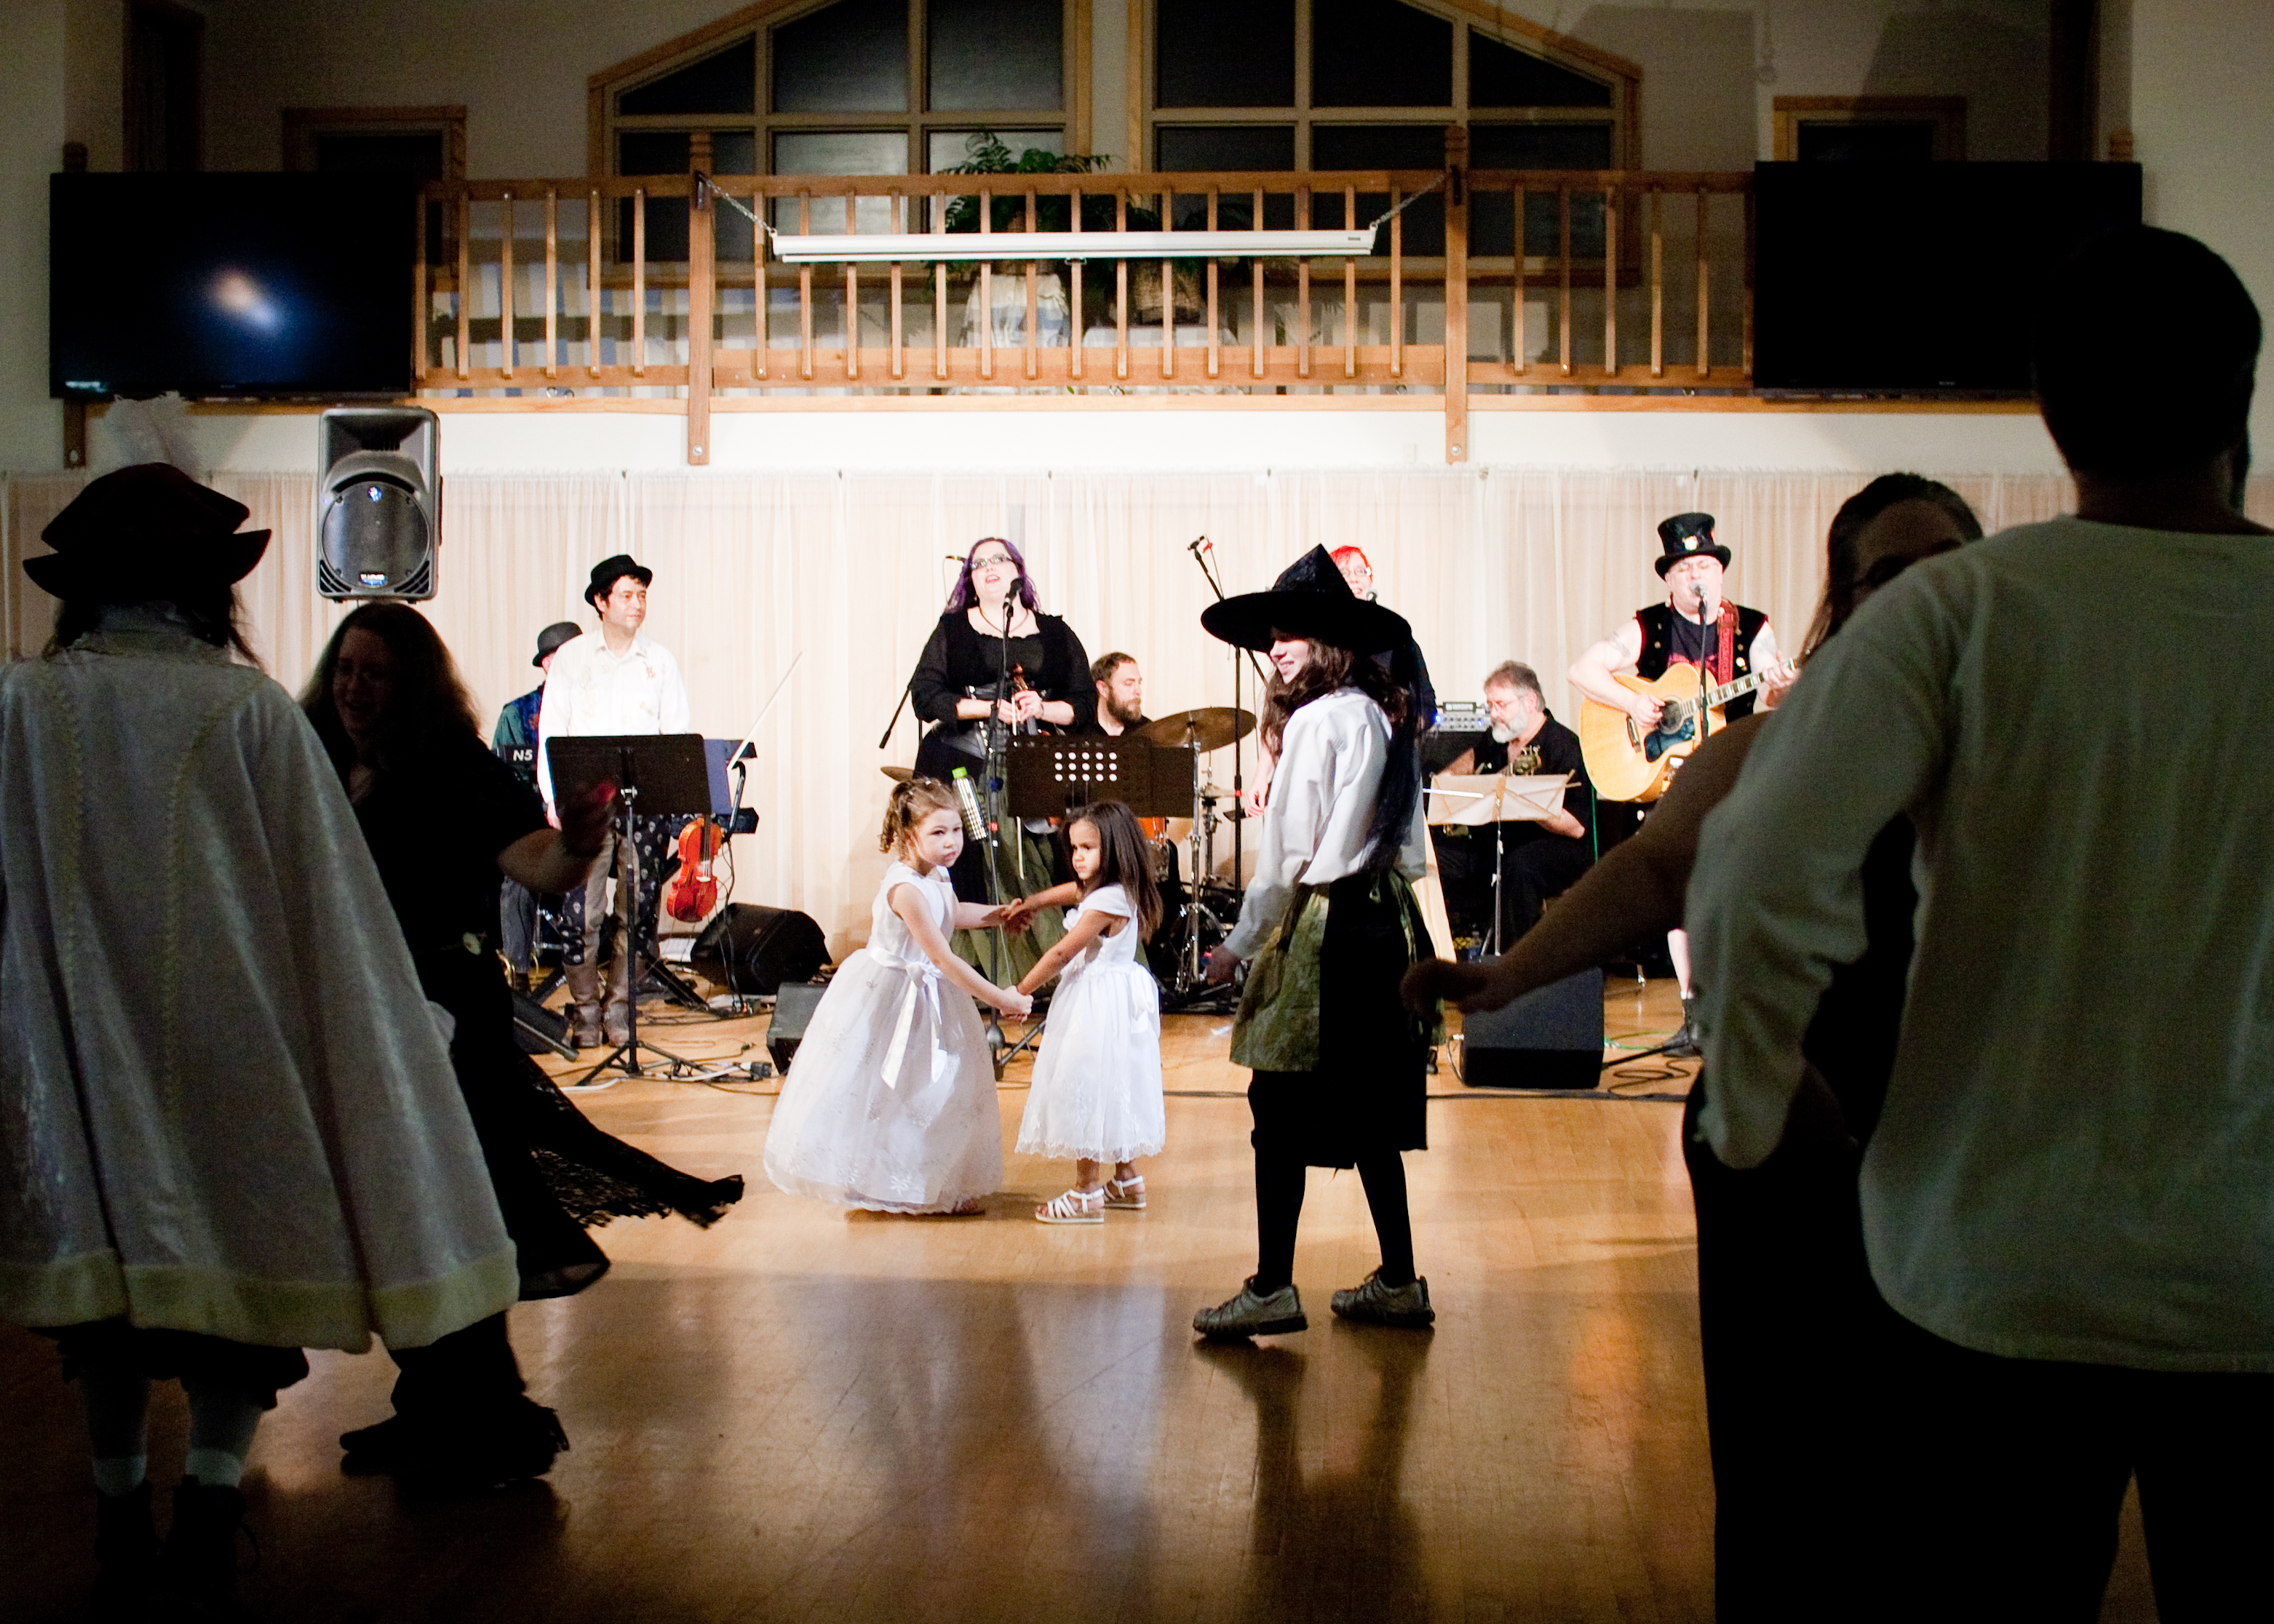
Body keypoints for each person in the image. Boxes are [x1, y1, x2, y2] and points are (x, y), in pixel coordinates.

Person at [1690, 226, 2274, 1620]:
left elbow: (1751, 871)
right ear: (2242, 397)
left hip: (1996, 1274)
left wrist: (1758, 1102)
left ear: (2052, 412)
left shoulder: (1959, 611)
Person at [1406, 473, 1981, 1617]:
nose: (1920, 597)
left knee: (1949, 1483)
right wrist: (1507, 978)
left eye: (1946, 573)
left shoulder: (2028, 746)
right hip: (1782, 1142)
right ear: (1843, 604)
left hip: (1962, 1149)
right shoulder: (1765, 748)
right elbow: (1657, 868)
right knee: (1782, 1468)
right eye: (1889, 577)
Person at [0, 465, 518, 1615]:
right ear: (208, 591)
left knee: (102, 1301)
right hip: (231, 1048)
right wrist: (381, 1034)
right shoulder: (246, 714)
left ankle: (119, 1517)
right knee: (240, 1285)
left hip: (72, 1043)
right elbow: (330, 906)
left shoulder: (26, 705)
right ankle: (208, 1508)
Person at [304, 602, 746, 1489]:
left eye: (374, 673)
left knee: (459, 1206)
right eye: (344, 669)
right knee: (391, 1211)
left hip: (441, 1009)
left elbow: (540, 863)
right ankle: (429, 1405)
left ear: (411, 685)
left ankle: (486, 1417)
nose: (354, 687)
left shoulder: (449, 763)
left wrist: (580, 845)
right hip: (355, 1011)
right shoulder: (312, 757)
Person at [1190, 546, 1438, 1339]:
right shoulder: (1381, 713)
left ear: (1329, 641)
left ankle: (1271, 1288)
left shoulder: (1319, 720)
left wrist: (1238, 943)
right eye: (1271, 636)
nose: (1275, 648)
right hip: (1386, 923)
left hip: (1333, 930)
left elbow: (1287, 855)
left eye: (1290, 633)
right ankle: (1397, 1280)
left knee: (1279, 1106)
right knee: (1370, 1109)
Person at [1567, 512, 1788, 1054]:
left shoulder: (1752, 628)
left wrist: (1783, 685)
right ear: (1668, 578)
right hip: (1671, 783)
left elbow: (1772, 691)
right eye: (1685, 567)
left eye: (1705, 566)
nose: (1697, 575)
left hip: (1734, 778)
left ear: (1721, 572)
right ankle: (1694, 1013)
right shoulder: (1648, 626)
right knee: (1678, 894)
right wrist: (1633, 702)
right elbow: (1582, 670)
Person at [764, 777, 1031, 1214]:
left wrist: (997, 916)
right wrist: (1002, 999)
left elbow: (951, 912)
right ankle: (895, 1184)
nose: (951, 842)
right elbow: (942, 957)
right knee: (891, 1089)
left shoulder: (936, 874)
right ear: (909, 835)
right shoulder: (905, 889)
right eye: (938, 833)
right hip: (893, 996)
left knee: (936, 1087)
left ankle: (931, 1181)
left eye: (956, 830)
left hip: (928, 993)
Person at [907, 538, 1096, 982]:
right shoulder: (953, 630)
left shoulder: (1055, 632)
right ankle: (978, 975)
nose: (989, 567)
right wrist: (987, 708)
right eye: (978, 564)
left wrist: (1042, 708)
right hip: (964, 762)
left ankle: (1046, 972)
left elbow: (1084, 703)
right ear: (970, 580)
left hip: (1035, 763)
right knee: (972, 860)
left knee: (1043, 859)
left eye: (999, 559)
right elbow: (926, 698)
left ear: (1018, 571)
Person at [536, 554, 692, 1051]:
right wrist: (553, 799)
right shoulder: (572, 659)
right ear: (601, 602)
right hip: (586, 803)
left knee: (637, 913)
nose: (637, 604)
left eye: (642, 595)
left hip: (643, 805)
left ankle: (619, 1008)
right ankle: (585, 1010)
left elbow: (676, 735)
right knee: (580, 914)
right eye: (627, 595)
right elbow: (551, 732)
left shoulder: (659, 661)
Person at [1009, 802, 1167, 1223]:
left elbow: (1062, 953)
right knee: (1113, 1085)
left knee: (1088, 1087)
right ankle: (1127, 1177)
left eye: (1088, 848)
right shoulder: (1112, 889)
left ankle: (1086, 1192)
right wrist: (1034, 903)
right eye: (1074, 847)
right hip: (1114, 999)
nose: (1077, 857)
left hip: (1095, 1004)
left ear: (1114, 849)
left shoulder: (1106, 901)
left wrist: (1019, 992)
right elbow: (1071, 892)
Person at [1428, 661, 1594, 954]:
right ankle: (1446, 951)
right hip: (1499, 843)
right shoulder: (1499, 739)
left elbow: (1577, 827)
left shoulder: (1563, 745)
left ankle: (1518, 963)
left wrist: (1526, 802)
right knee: (1434, 856)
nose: (1494, 714)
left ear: (1530, 702)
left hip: (1557, 847)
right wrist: (1449, 778)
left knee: (1520, 868)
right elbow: (1472, 759)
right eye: (1490, 706)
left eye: (1502, 705)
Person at [495, 619, 583, 990]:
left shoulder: (599, 706)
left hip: (586, 821)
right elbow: (502, 781)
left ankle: (613, 969)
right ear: (547, 663)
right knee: (519, 874)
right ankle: (518, 972)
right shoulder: (518, 713)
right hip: (536, 819)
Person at [1079, 650, 1148, 736]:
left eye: (1139, 683)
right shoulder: (1079, 731)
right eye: (1129, 683)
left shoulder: (1148, 731)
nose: (1138, 691)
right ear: (1103, 689)